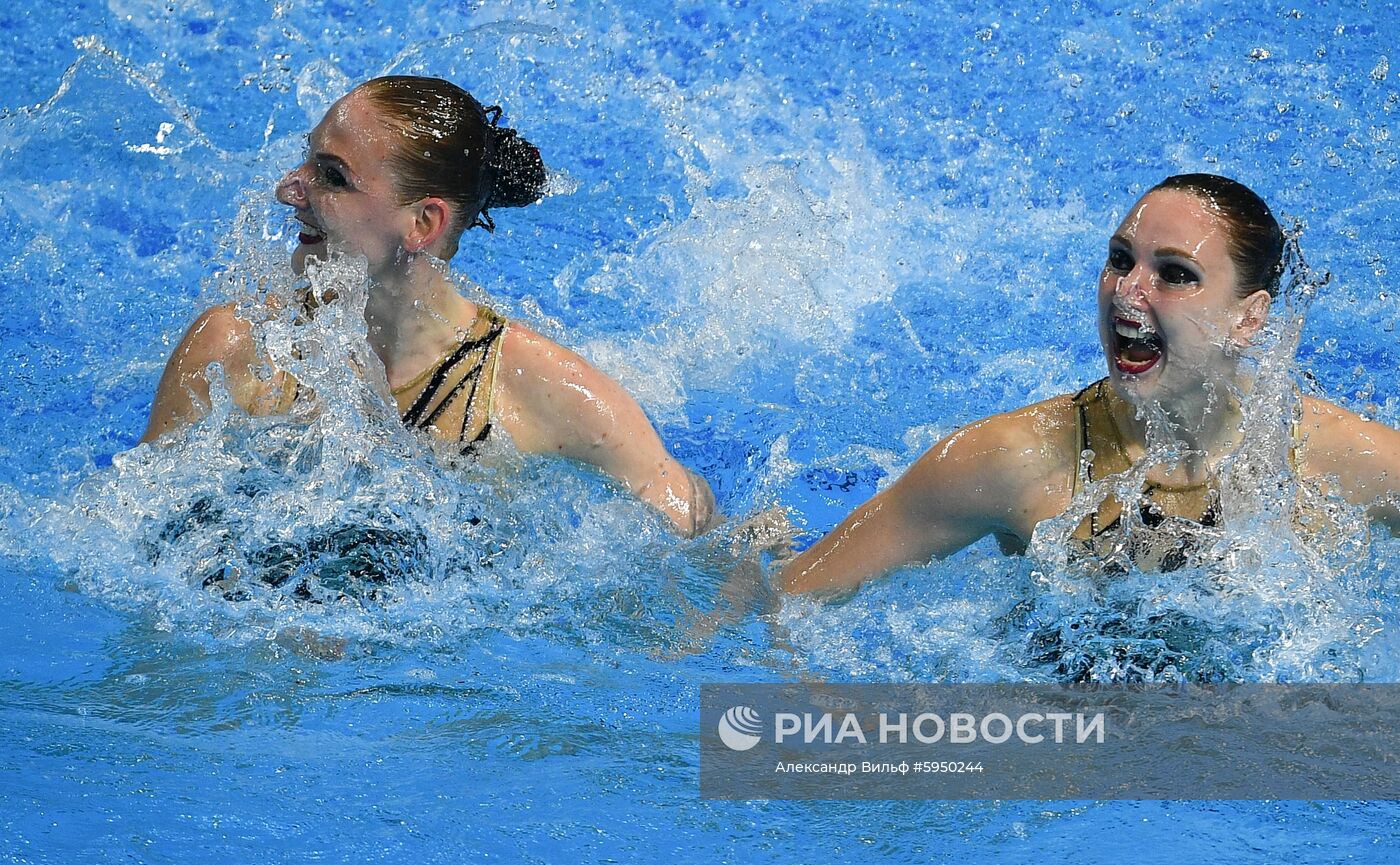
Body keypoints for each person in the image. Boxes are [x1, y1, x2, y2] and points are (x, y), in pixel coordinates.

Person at [142, 76, 715, 537]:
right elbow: (134, 527)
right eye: (306, 161)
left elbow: (689, 524)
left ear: (423, 223)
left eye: (331, 176)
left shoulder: (540, 389)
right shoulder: (237, 348)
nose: (289, 189)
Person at [782, 173, 1400, 596]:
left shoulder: (1342, 460)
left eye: (1175, 274)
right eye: (1121, 259)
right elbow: (795, 597)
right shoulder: (1012, 460)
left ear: (1249, 318)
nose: (1127, 292)